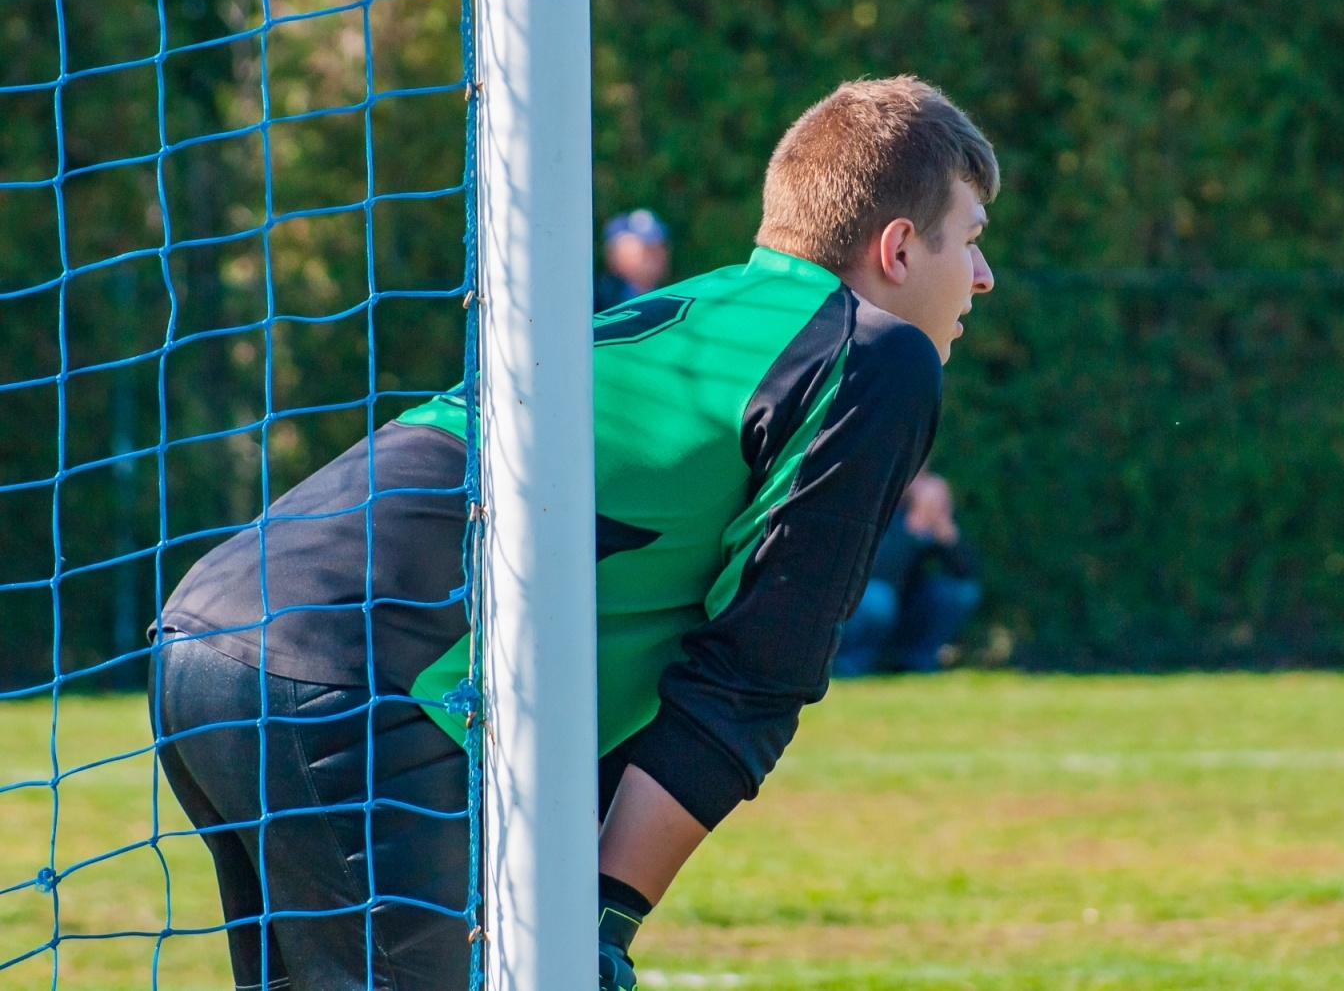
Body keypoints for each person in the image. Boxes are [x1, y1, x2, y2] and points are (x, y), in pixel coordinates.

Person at [147, 75, 999, 991]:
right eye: (972, 239)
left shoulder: (707, 311)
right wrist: (605, 917)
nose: (984, 276)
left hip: (209, 629)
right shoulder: (875, 352)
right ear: (897, 249)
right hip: (349, 667)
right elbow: (758, 674)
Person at [832, 469, 981, 676]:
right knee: (878, 599)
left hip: (905, 610)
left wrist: (944, 530)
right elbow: (878, 571)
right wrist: (914, 527)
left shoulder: (927, 509)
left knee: (960, 593)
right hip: (862, 608)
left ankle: (917, 663)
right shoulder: (874, 499)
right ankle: (849, 665)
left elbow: (966, 572)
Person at [594, 208, 671, 312]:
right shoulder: (593, 302)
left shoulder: (675, 298)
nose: (655, 254)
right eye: (645, 246)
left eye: (659, 245)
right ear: (614, 254)